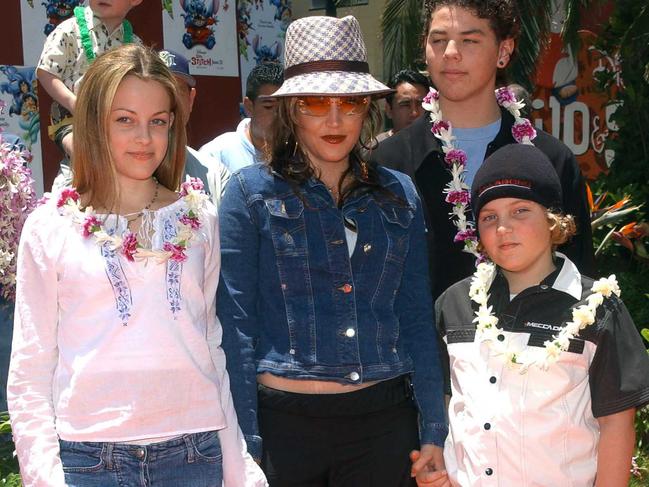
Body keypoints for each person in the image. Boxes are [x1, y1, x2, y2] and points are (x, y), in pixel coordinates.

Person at [8, 44, 266, 487]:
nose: (144, 138)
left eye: (158, 122)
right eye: (124, 120)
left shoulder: (200, 217)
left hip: (194, 453)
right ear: (93, 123)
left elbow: (210, 344)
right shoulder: (49, 226)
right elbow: (31, 368)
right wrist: (44, 477)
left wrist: (237, 467)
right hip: (89, 462)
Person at [218, 15, 448, 487]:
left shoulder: (399, 192)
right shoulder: (248, 193)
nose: (335, 118)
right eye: (316, 102)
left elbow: (416, 317)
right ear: (289, 109)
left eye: (350, 101)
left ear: (367, 109)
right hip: (284, 429)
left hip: (384, 423)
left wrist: (434, 430)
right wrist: (244, 442)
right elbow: (236, 326)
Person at [417, 143, 649, 487]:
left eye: (520, 211)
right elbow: (442, 400)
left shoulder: (597, 308)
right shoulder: (454, 304)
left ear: (554, 220)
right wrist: (434, 459)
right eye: (489, 217)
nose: (503, 228)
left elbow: (616, 422)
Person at [370, 0, 594, 299]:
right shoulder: (390, 162)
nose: (450, 53)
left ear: (503, 51)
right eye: (438, 40)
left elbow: (579, 279)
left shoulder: (550, 159)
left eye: (469, 40)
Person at [38, 0, 142, 185]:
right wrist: (73, 103)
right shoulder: (70, 29)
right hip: (73, 120)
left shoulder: (134, 45)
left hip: (115, 125)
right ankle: (64, 202)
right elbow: (46, 71)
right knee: (83, 155)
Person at [159, 49, 231, 207]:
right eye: (160, 92)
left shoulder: (215, 174)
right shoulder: (121, 170)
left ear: (191, 100)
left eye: (177, 91)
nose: (170, 102)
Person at [199, 62, 283, 172]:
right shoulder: (216, 154)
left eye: (284, 108)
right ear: (249, 106)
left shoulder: (300, 153)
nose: (279, 116)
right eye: (269, 107)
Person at [378, 69, 430, 143]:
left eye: (420, 104)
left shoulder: (442, 146)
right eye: (405, 104)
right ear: (389, 110)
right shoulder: (374, 150)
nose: (414, 113)